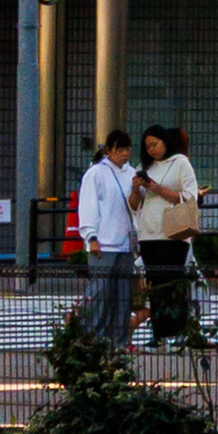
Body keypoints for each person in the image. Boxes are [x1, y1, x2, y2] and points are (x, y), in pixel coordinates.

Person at [132, 120, 203, 351]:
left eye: (155, 144)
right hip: (148, 234)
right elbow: (134, 205)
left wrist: (158, 189)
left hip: (173, 234)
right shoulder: (145, 167)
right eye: (148, 146)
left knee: (172, 284)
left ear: (165, 142)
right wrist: (136, 188)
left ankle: (176, 334)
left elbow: (190, 196)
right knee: (155, 286)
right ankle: (158, 335)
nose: (151, 149)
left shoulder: (180, 162)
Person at [73, 127, 140, 347]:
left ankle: (118, 341)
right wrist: (91, 235)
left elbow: (134, 206)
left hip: (125, 243)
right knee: (100, 292)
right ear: (109, 150)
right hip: (102, 242)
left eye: (127, 149)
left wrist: (137, 190)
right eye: (120, 149)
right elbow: (88, 205)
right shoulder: (96, 173)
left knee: (122, 296)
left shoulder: (131, 173)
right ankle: (92, 336)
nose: (124, 153)